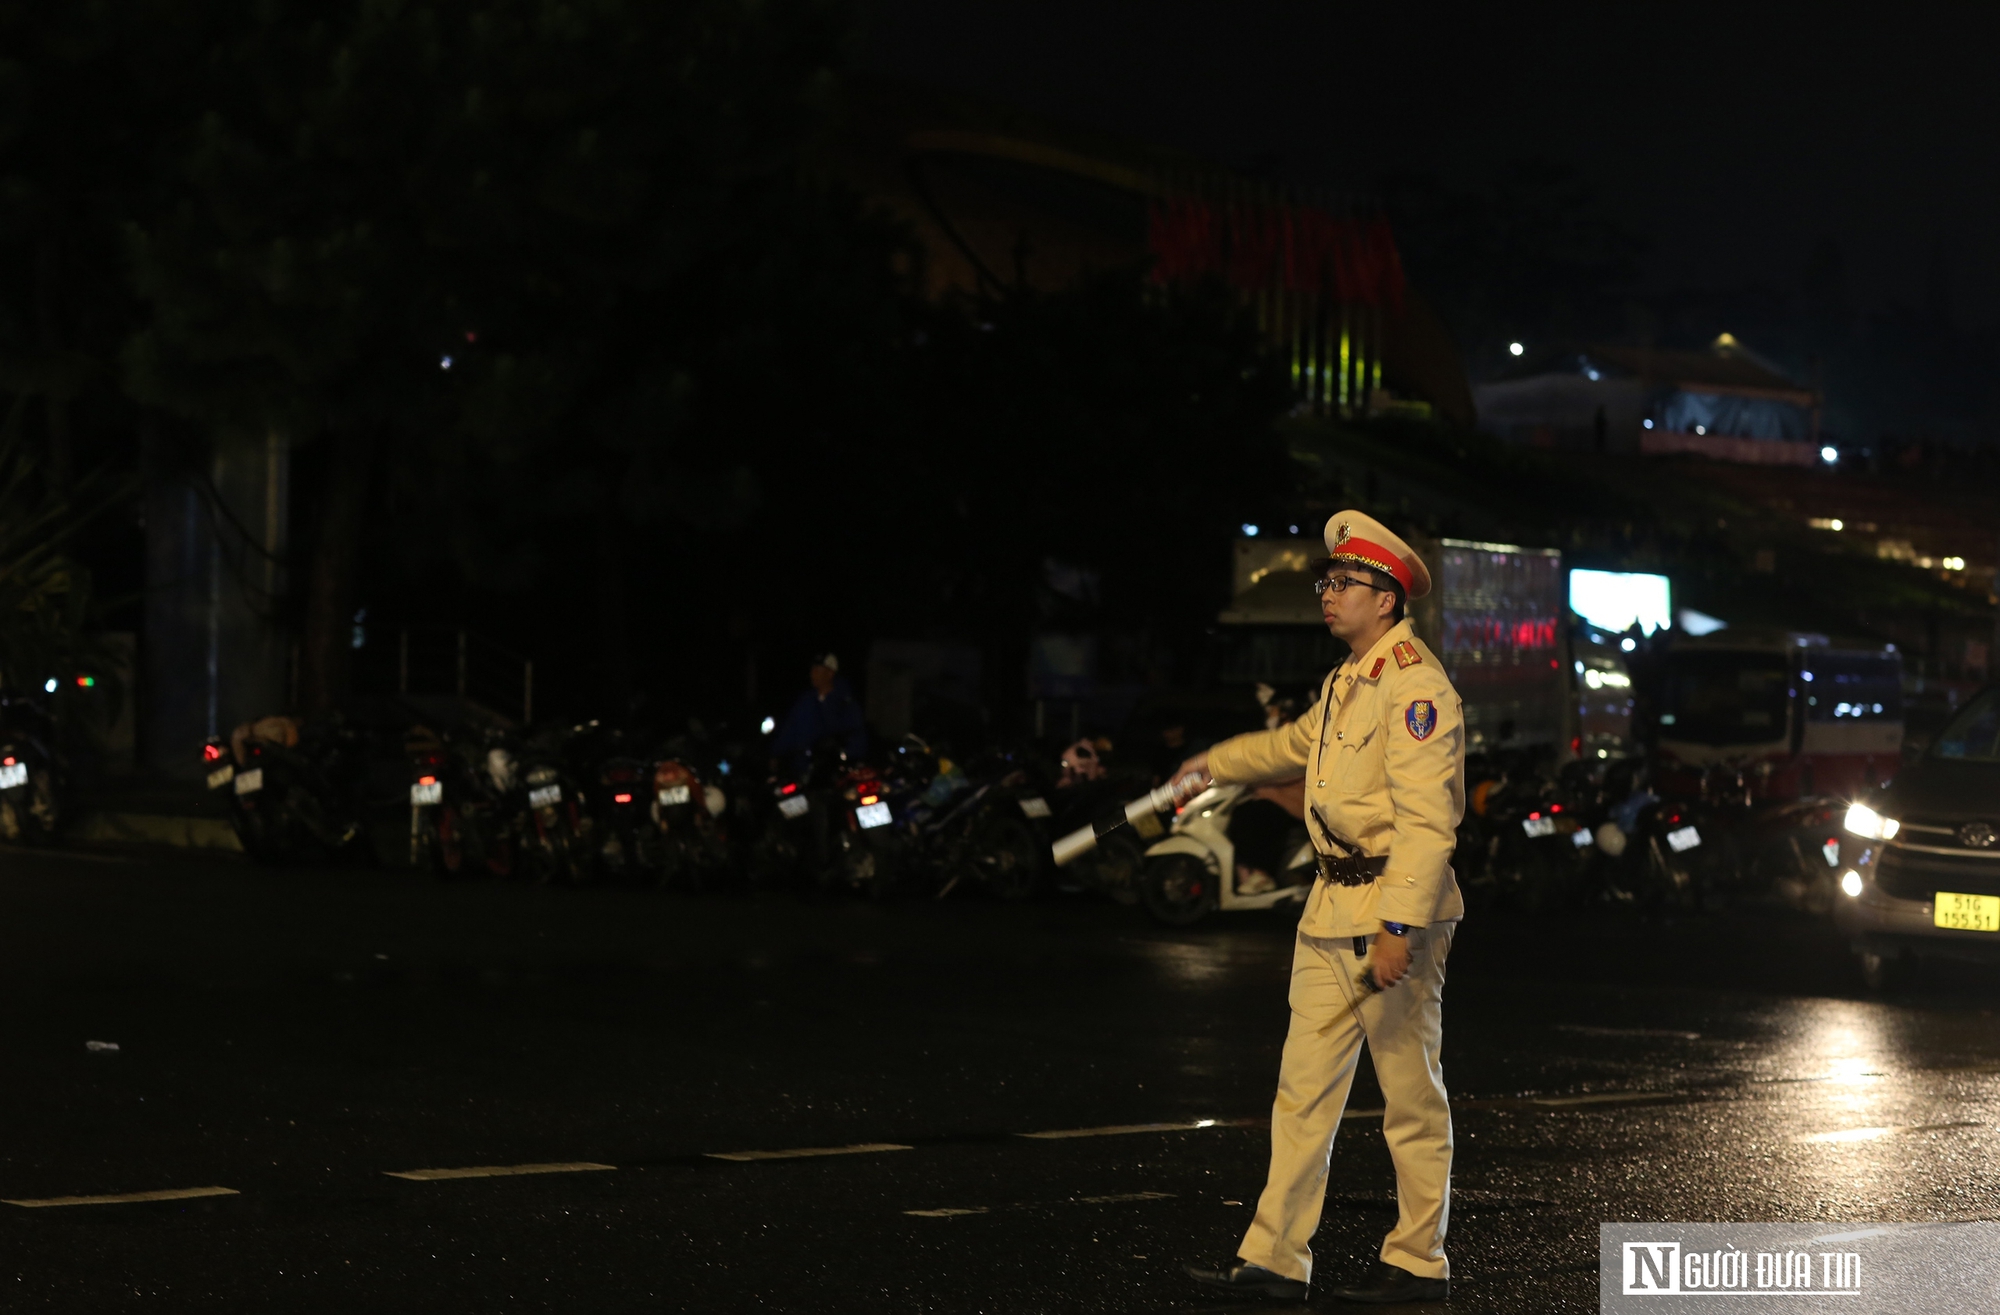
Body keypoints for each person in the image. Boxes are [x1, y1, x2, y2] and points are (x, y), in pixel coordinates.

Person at [1179, 511, 1466, 1306]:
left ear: (1387, 598)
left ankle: (1417, 1261)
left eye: (1344, 583)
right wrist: (1213, 764)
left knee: (1408, 1096)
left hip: (1387, 909)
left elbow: (1428, 823)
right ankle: (1275, 1257)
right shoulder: (1349, 678)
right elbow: (1291, 746)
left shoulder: (1415, 686)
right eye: (1327, 582)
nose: (1328, 594)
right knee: (1302, 1092)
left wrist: (1398, 926)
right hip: (1329, 904)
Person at [769, 653, 868, 768]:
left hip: (830, 770)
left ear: (830, 673)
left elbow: (856, 736)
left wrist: (845, 757)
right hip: (802, 768)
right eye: (812, 669)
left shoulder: (845, 703)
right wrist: (775, 754)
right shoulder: (805, 701)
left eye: (817, 670)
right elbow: (790, 729)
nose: (812, 674)